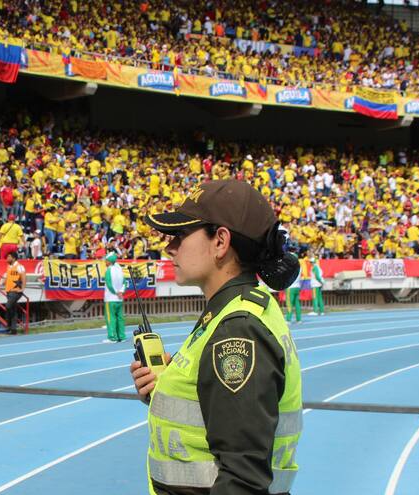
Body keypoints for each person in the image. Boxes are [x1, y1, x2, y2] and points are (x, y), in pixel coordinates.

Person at [130, 180, 303, 495]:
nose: (169, 247)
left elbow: (243, 479)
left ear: (220, 241)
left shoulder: (237, 330)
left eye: (180, 236)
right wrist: (166, 387)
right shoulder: (239, 310)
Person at [0, 251, 25, 334]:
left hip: (16, 291)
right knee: (13, 310)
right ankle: (13, 330)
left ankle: (8, 325)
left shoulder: (20, 267)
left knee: (8, 306)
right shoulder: (9, 266)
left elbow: (24, 277)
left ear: (13, 258)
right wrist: (2, 281)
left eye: (8, 257)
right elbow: (7, 275)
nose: (7, 259)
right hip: (9, 291)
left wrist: (22, 289)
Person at [103, 252, 126, 343]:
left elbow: (109, 284)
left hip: (110, 298)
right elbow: (125, 283)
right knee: (120, 318)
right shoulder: (119, 270)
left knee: (111, 318)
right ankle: (121, 336)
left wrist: (116, 293)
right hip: (119, 299)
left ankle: (112, 337)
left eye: (106, 260)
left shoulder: (109, 270)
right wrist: (121, 292)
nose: (105, 262)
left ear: (109, 261)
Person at [285, 254, 303, 324]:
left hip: (291, 287)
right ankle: (299, 319)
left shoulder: (290, 267)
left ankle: (288, 319)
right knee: (297, 304)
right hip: (297, 286)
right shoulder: (299, 267)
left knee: (289, 303)